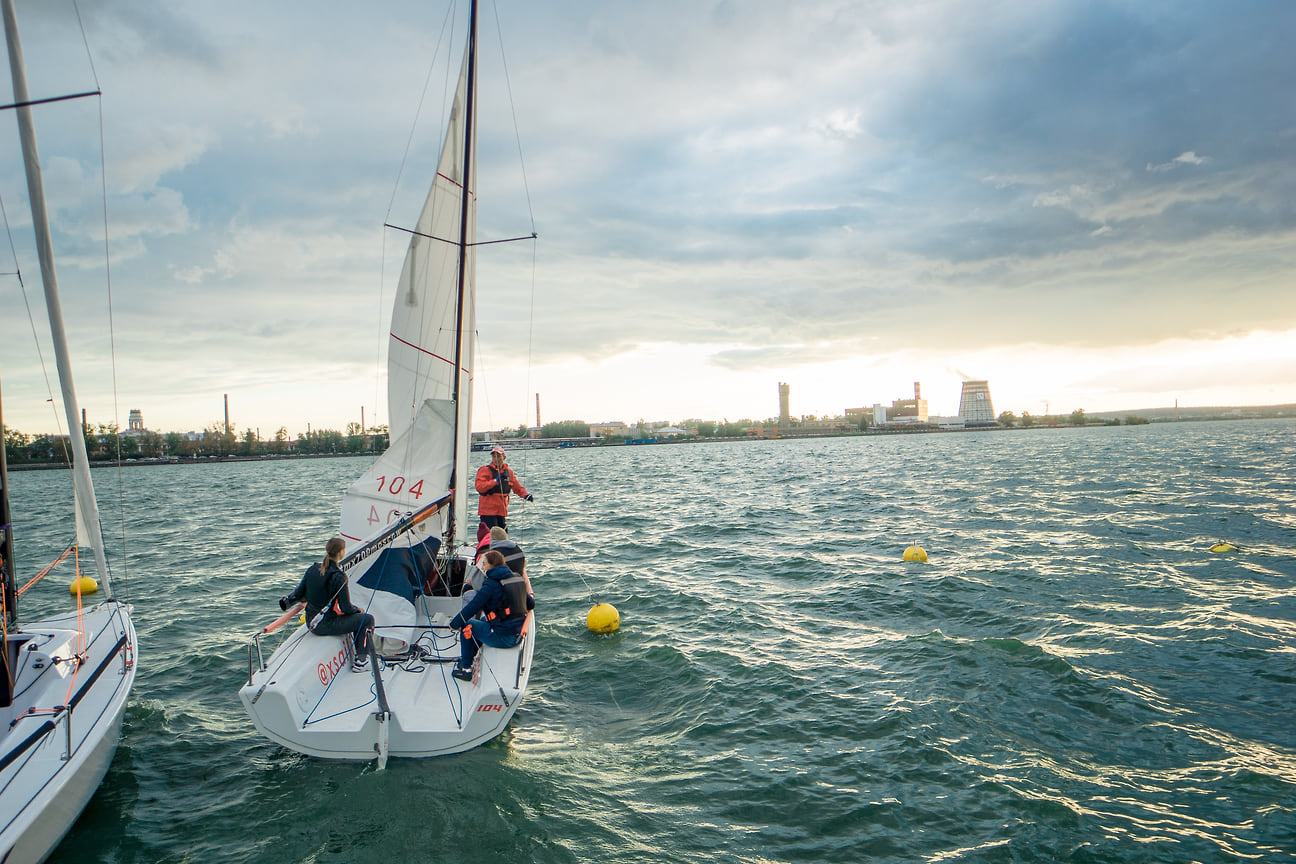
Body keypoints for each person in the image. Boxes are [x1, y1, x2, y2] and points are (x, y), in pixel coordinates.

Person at [280, 537, 375, 673]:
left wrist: (286, 602)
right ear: (341, 552)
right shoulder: (339, 576)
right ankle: (361, 661)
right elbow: (346, 608)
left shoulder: (312, 569)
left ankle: (360, 657)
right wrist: (357, 610)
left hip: (311, 622)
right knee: (367, 620)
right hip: (325, 624)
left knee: (358, 617)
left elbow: (299, 593)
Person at [448, 549, 534, 681]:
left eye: (484, 564)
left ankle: (466, 669)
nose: (482, 567)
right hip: (517, 634)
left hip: (505, 638)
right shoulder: (517, 579)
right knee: (483, 619)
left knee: (468, 625)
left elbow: (473, 606)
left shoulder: (491, 585)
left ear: (492, 565)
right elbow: (530, 604)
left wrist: (454, 624)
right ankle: (470, 656)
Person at [474, 446, 532, 531]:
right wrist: (494, 482)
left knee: (503, 534)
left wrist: (526, 495)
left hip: (501, 510)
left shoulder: (509, 472)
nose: (496, 459)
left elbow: (517, 487)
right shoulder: (484, 470)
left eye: (498, 456)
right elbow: (479, 487)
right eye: (494, 456)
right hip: (488, 511)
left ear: (504, 457)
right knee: (491, 535)